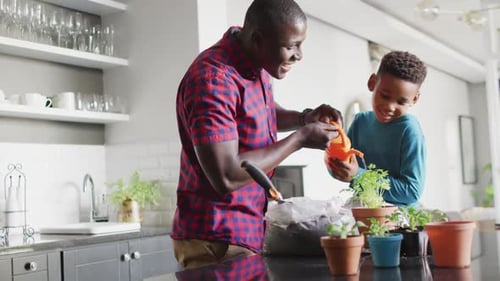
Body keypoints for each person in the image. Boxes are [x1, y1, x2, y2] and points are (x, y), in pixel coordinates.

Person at [171, 0, 342, 269]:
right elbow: (225, 175)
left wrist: (303, 118)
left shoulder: (251, 60)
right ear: (258, 39)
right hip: (215, 237)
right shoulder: (212, 79)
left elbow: (258, 111)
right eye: (291, 46)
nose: (299, 55)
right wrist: (299, 139)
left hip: (246, 230)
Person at [328, 50, 427, 207]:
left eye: (401, 102)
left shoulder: (409, 130)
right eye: (385, 96)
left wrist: (358, 174)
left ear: (414, 99)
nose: (390, 107)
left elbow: (412, 191)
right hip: (362, 211)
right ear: (372, 83)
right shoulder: (360, 122)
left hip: (400, 220)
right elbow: (345, 168)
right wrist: (335, 160)